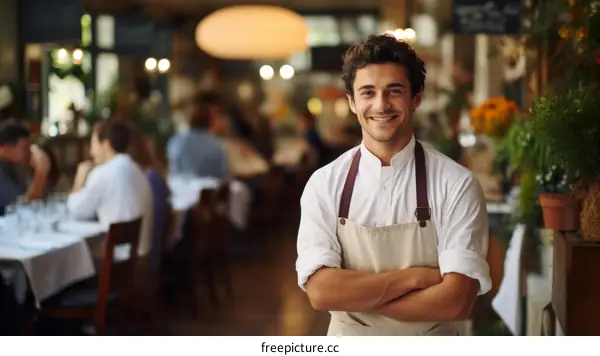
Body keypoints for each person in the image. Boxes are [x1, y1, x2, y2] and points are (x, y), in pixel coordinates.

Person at [296, 34, 491, 336]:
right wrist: (414, 279)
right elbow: (321, 292)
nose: (381, 104)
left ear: (416, 98)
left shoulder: (457, 184)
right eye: (368, 92)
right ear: (352, 102)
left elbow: (456, 301)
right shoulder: (325, 184)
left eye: (394, 91)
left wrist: (355, 299)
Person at [67, 119, 154, 257]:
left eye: (93, 144)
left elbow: (76, 210)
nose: (91, 151)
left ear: (106, 144)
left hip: (118, 266)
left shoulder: (103, 173)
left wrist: (80, 177)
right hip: (142, 261)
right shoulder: (138, 170)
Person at [166, 91, 229, 179]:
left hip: (180, 190)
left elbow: (174, 172)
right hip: (208, 191)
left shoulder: (175, 141)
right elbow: (222, 175)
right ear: (210, 118)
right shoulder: (217, 145)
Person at [0, 122, 50, 215]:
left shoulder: (14, 167)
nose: (29, 153)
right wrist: (40, 171)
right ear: (5, 149)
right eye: (25, 148)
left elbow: (39, 198)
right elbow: (23, 207)